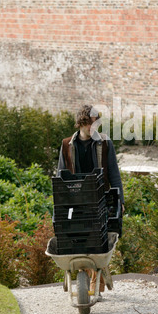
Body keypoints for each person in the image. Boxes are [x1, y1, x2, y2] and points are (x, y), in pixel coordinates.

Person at [57, 104, 124, 297]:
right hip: (76, 200)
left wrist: (119, 200)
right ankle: (88, 277)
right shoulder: (67, 145)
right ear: (82, 123)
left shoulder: (104, 143)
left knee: (98, 241)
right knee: (78, 240)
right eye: (90, 124)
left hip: (99, 199)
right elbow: (61, 176)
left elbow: (114, 174)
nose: (94, 129)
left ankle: (95, 281)